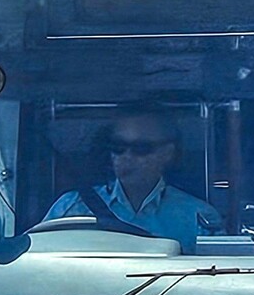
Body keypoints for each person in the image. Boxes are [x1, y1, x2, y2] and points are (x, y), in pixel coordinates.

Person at [43, 107, 224, 249]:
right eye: (118, 147)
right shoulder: (70, 208)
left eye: (141, 148)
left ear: (167, 153)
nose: (127, 156)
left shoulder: (199, 217)